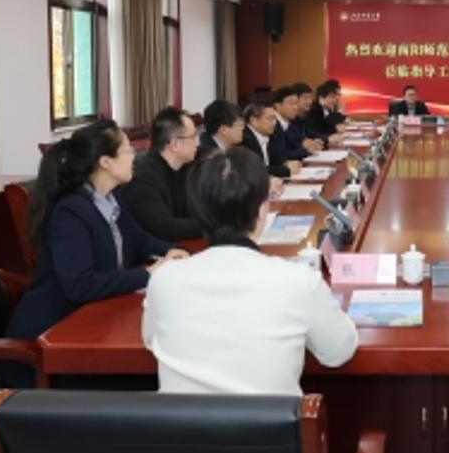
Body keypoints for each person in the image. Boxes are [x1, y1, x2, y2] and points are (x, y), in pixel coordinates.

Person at [142, 147, 358, 395]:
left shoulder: (164, 279)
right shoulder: (298, 281)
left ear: (199, 213)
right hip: (275, 422)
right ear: (262, 210)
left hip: (181, 422)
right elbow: (338, 352)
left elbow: (151, 340)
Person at [5, 119, 186, 384]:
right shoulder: (70, 213)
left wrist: (176, 252)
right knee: (153, 376)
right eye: (128, 150)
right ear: (105, 162)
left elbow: (140, 240)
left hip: (94, 321)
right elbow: (80, 285)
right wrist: (148, 274)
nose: (135, 156)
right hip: (53, 344)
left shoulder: (111, 197)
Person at [119, 106, 202, 241]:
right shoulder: (142, 178)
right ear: (174, 144)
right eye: (193, 137)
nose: (198, 143)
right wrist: (214, 223)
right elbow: (165, 228)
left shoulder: (187, 166)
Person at [241, 102, 300, 178]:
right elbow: (254, 170)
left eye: (275, 119)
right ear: (253, 120)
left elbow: (278, 159)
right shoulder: (244, 139)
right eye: (269, 119)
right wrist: (285, 170)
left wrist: (287, 164)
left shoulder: (271, 136)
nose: (274, 123)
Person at [273, 85, 323, 159]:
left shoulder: (288, 124)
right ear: (277, 105)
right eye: (291, 103)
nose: (295, 107)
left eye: (296, 104)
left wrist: (311, 144)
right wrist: (306, 150)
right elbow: (281, 154)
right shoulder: (273, 125)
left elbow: (298, 142)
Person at [304, 79, 346, 145]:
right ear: (321, 98)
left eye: (334, 97)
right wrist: (329, 137)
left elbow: (331, 126)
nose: (334, 100)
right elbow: (313, 133)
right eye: (331, 97)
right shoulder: (314, 111)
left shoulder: (325, 110)